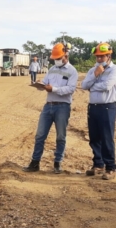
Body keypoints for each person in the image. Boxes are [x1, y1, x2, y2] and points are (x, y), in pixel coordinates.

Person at [22, 43, 78, 174]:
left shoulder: (72, 71)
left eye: (58, 58)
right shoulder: (52, 69)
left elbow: (70, 89)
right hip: (48, 106)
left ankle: (58, 163)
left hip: (62, 107)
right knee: (40, 135)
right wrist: (40, 84)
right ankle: (35, 163)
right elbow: (46, 82)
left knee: (60, 137)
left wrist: (54, 89)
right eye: (55, 58)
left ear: (66, 55)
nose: (56, 60)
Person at [80, 43, 116, 180]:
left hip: (107, 107)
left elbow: (107, 86)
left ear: (108, 55)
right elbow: (84, 85)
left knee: (106, 138)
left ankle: (110, 167)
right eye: (97, 56)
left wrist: (92, 87)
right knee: (94, 138)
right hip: (93, 107)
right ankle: (98, 164)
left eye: (101, 56)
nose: (99, 59)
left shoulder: (115, 70)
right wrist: (95, 74)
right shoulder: (93, 70)